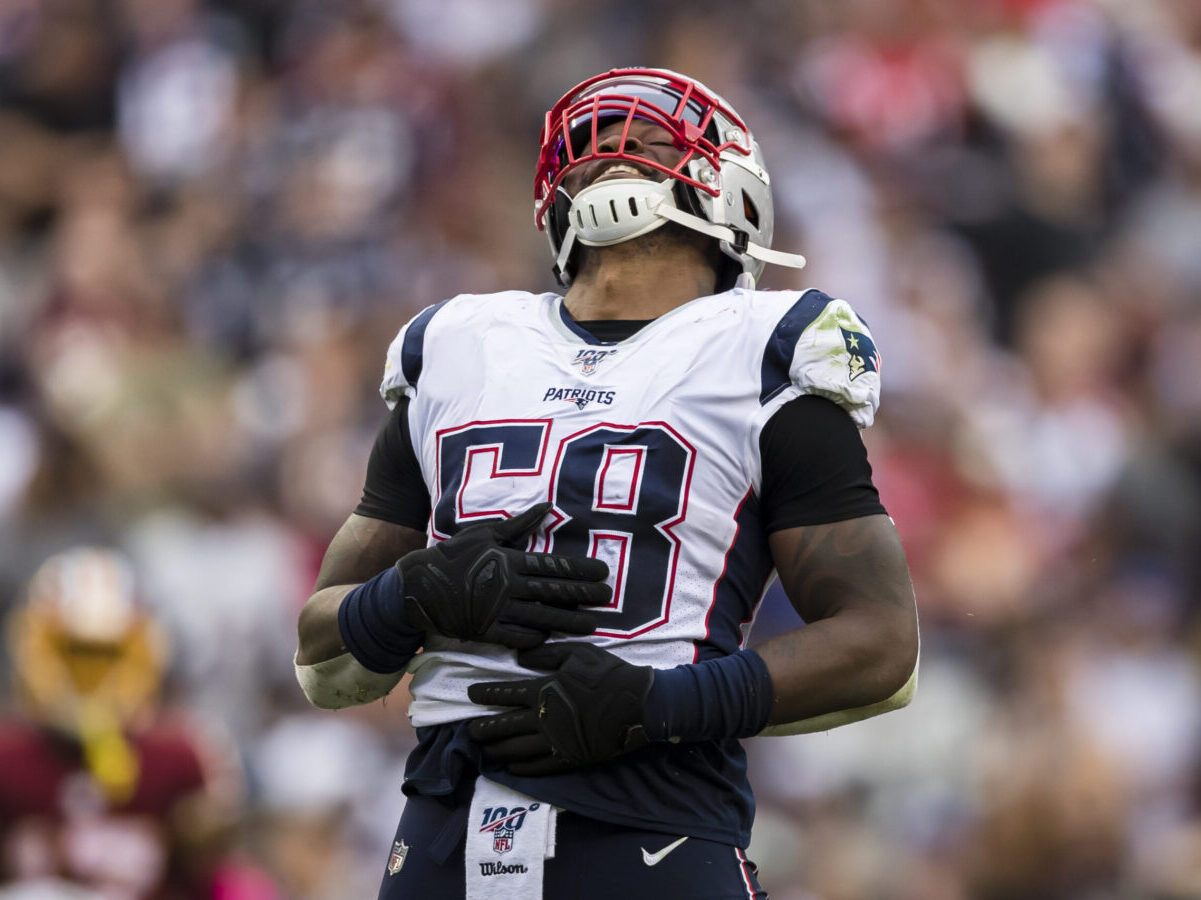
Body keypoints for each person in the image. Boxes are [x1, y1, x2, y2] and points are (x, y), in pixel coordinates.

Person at [295, 67, 919, 899]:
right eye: (590, 144)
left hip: (651, 823)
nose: (616, 151)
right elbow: (321, 659)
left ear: (732, 197)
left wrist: (658, 704)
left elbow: (880, 644)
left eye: (657, 141)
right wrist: (412, 596)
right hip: (444, 823)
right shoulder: (458, 343)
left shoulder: (763, 344)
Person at [0, 547, 245, 899]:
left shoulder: (182, 755)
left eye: (105, 654)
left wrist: (201, 835)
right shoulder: (8, 758)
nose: (90, 676)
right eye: (75, 652)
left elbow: (221, 884)